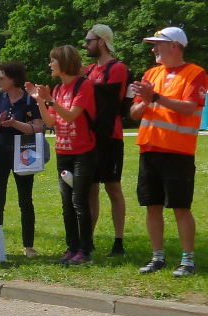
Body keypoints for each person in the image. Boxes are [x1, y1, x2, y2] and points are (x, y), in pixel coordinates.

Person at [131, 27, 206, 277]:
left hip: (177, 151)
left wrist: (155, 97)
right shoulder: (151, 73)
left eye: (158, 44)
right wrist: (145, 100)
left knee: (180, 207)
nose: (153, 49)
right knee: (152, 205)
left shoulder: (195, 73)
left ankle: (187, 261)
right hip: (149, 148)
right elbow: (133, 113)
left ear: (174, 46)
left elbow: (188, 107)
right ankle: (157, 257)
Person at [26, 45, 97, 266]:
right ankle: (72, 248)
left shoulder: (83, 86)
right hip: (63, 153)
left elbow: (71, 116)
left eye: (53, 61)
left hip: (83, 153)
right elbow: (51, 122)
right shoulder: (57, 89)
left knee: (79, 202)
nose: (50, 65)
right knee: (67, 204)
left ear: (64, 62)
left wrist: (50, 100)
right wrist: (40, 99)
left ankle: (85, 251)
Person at [0, 62, 43, 258]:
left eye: (2, 78)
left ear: (13, 79)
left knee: (25, 199)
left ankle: (29, 246)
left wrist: (15, 124)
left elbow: (39, 128)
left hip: (24, 152)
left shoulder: (29, 100)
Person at [83, 24, 129, 257]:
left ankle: (118, 242)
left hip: (110, 136)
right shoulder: (89, 70)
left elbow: (110, 103)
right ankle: (87, 241)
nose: (85, 45)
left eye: (88, 41)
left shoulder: (117, 68)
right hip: (90, 137)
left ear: (101, 41)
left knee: (112, 187)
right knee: (91, 189)